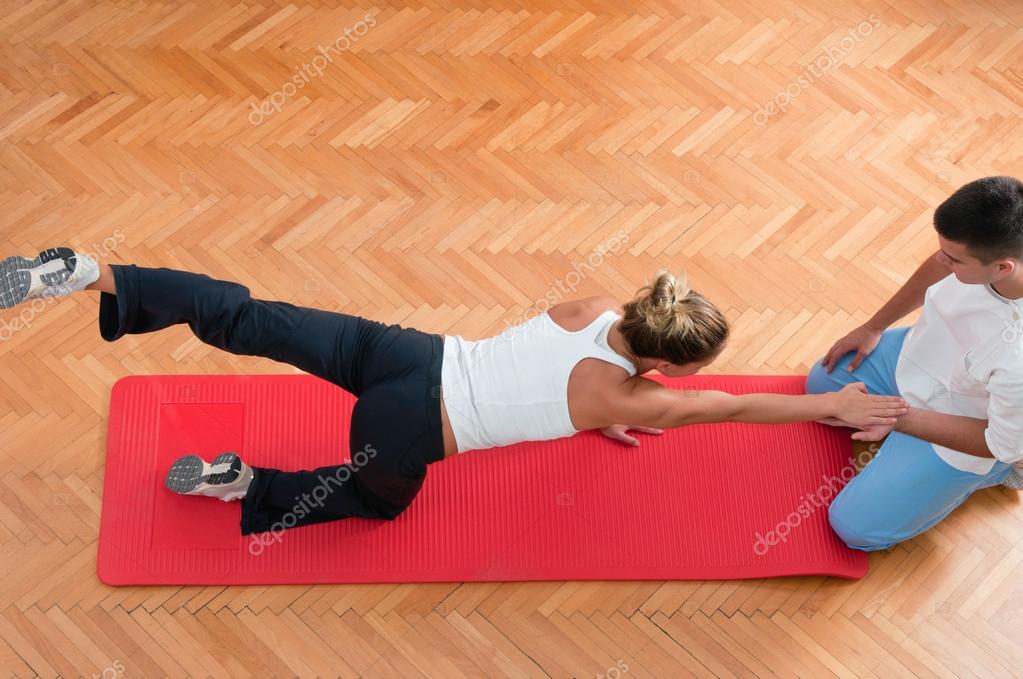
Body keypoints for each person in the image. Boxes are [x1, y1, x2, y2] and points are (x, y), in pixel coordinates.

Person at [0, 251, 905, 536]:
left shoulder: (593, 308)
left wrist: (611, 408)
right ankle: (241, 480)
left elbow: (564, 379)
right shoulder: (636, 399)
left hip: (397, 350)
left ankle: (98, 274)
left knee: (250, 316)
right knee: (370, 501)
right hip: (407, 423)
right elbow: (739, 410)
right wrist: (832, 407)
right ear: (666, 369)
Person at [808, 175, 1023, 551]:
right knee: (822, 382)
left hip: (976, 427)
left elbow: (995, 441)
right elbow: (939, 264)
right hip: (921, 358)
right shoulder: (986, 252)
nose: (943, 260)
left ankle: (1006, 475)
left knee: (856, 528)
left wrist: (894, 417)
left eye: (954, 258)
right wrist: (872, 327)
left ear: (1003, 268)